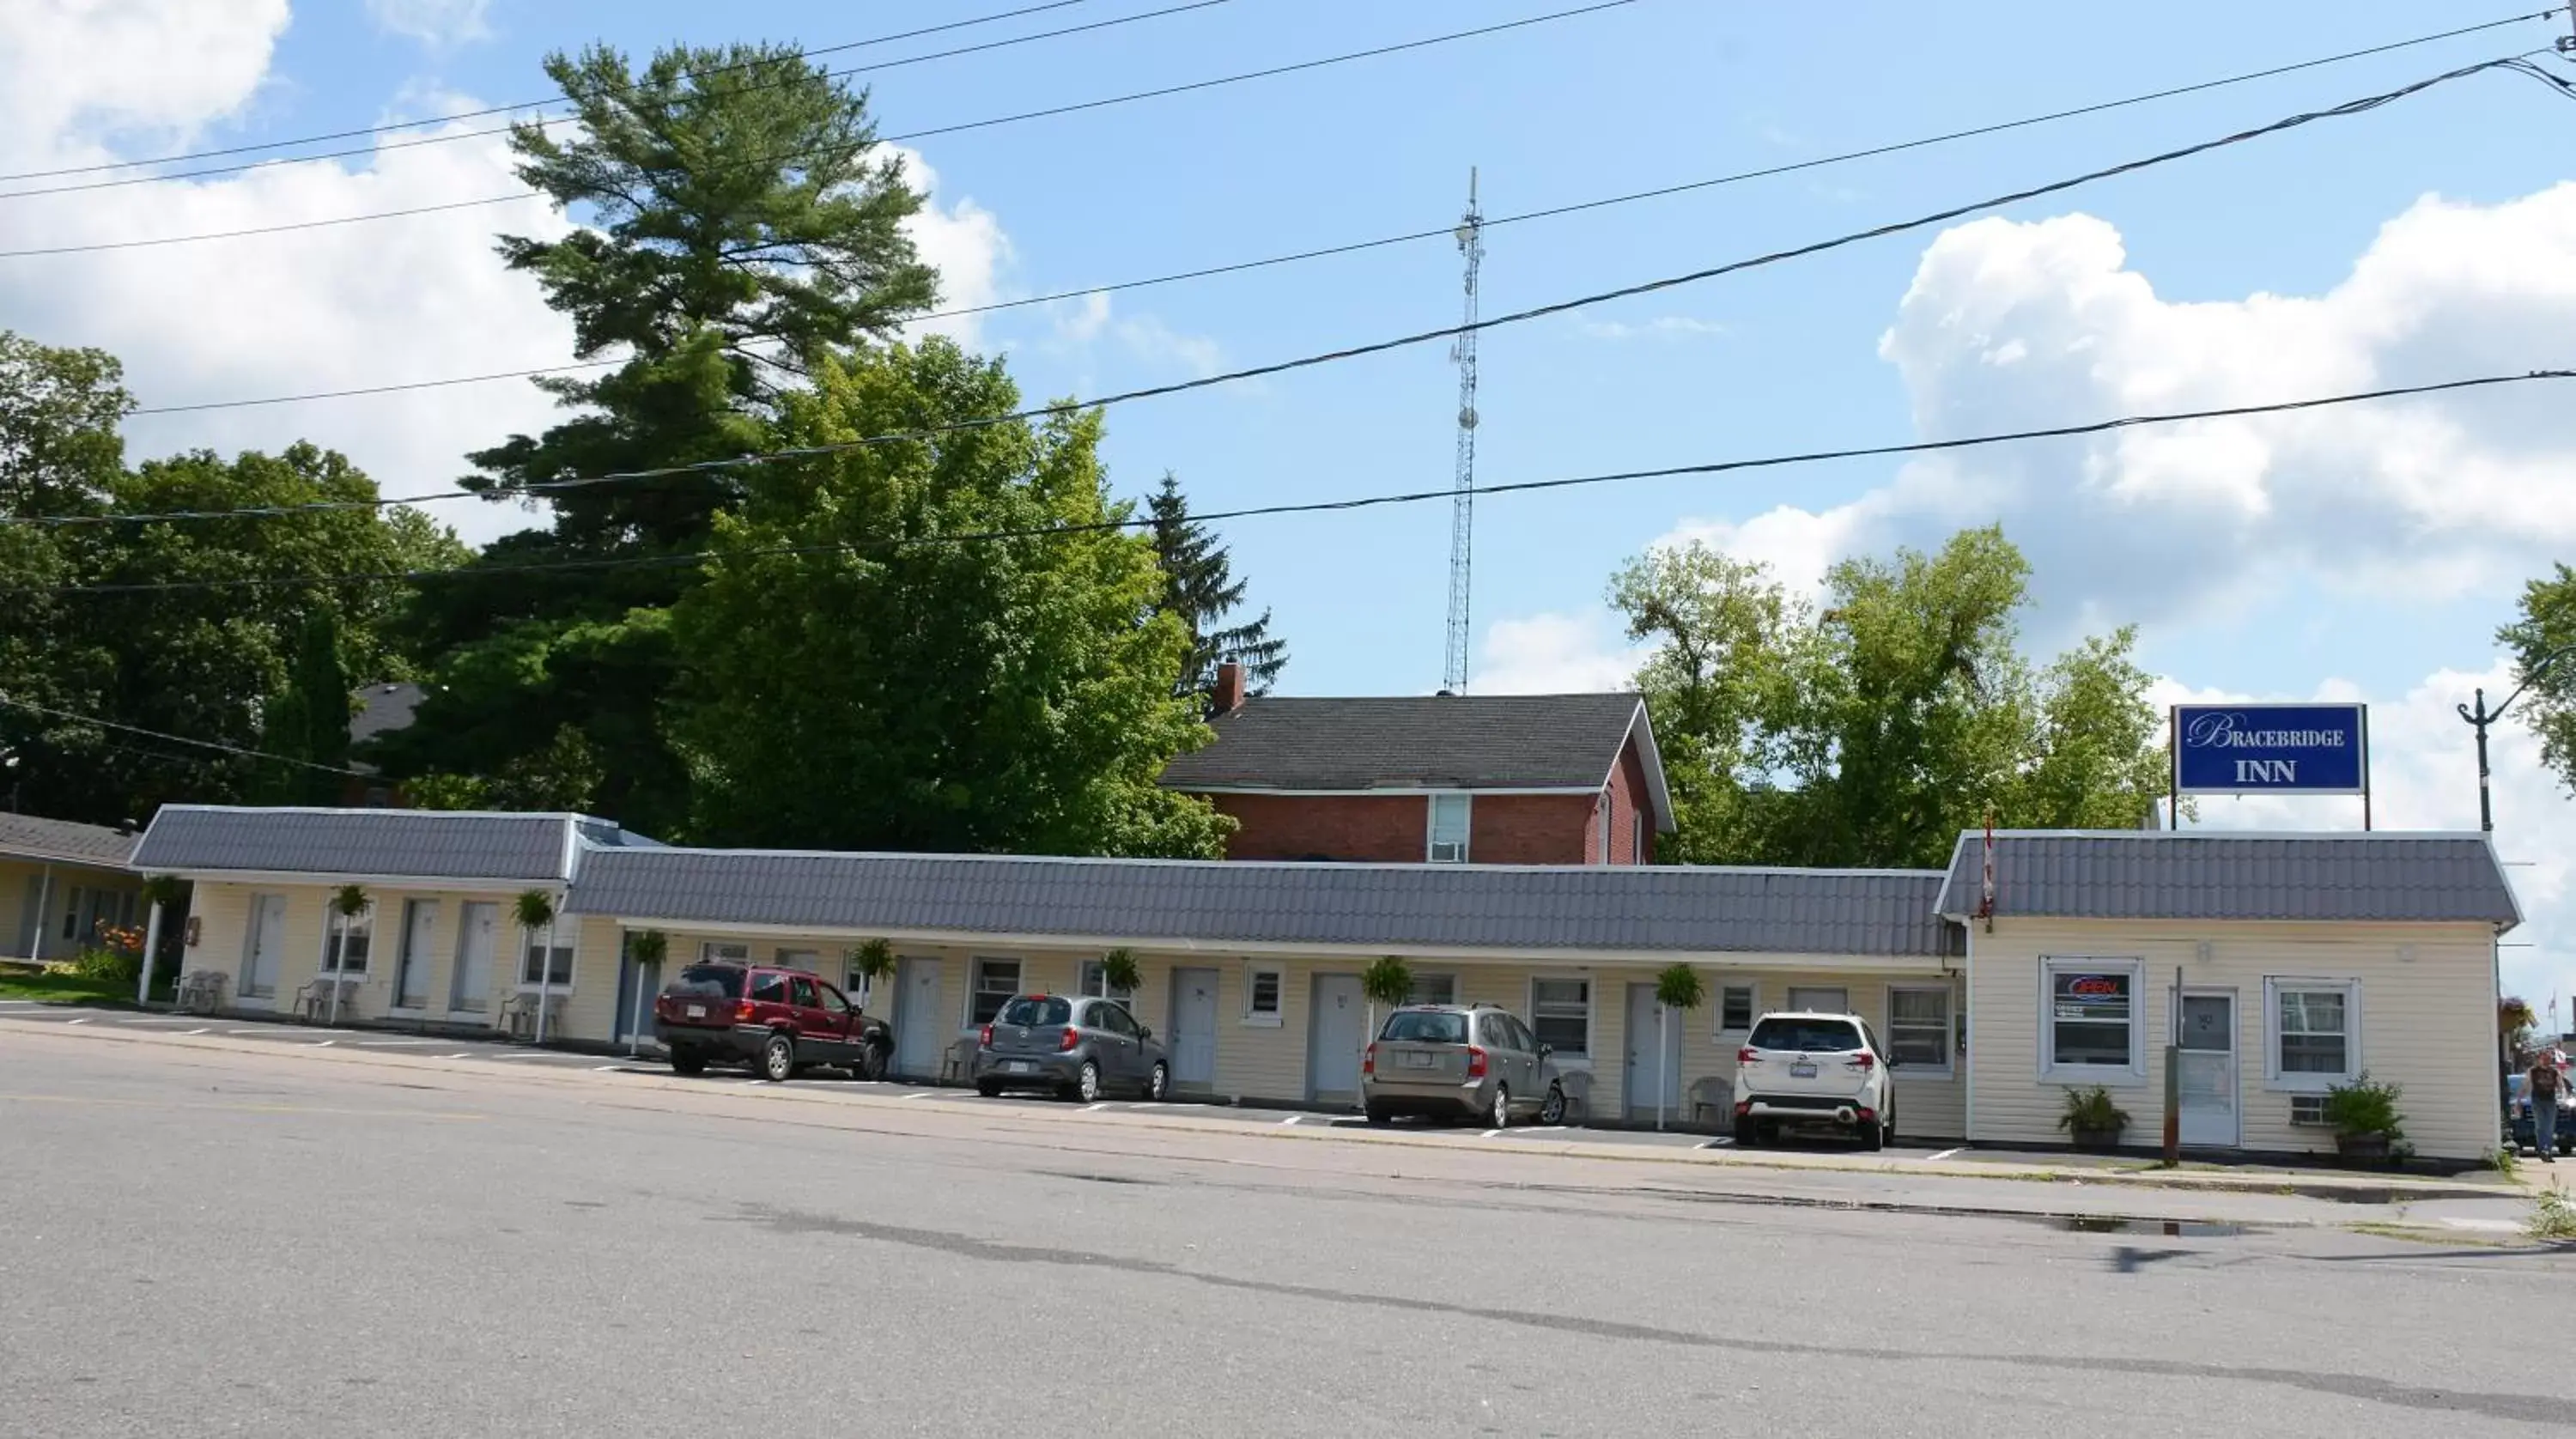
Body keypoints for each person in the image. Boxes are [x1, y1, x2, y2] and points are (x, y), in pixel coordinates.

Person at [2529, 1051, 2567, 1162]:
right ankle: (2542, 1150)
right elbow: (2526, 1085)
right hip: (2537, 1101)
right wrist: (2518, 1101)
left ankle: (2548, 1151)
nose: (2546, 1061)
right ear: (2540, 1059)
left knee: (2549, 1127)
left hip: (2550, 1101)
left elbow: (2561, 1085)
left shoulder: (2554, 1071)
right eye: (2544, 1059)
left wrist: (2563, 1096)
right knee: (2540, 1126)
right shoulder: (2533, 1071)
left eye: (2548, 1059)